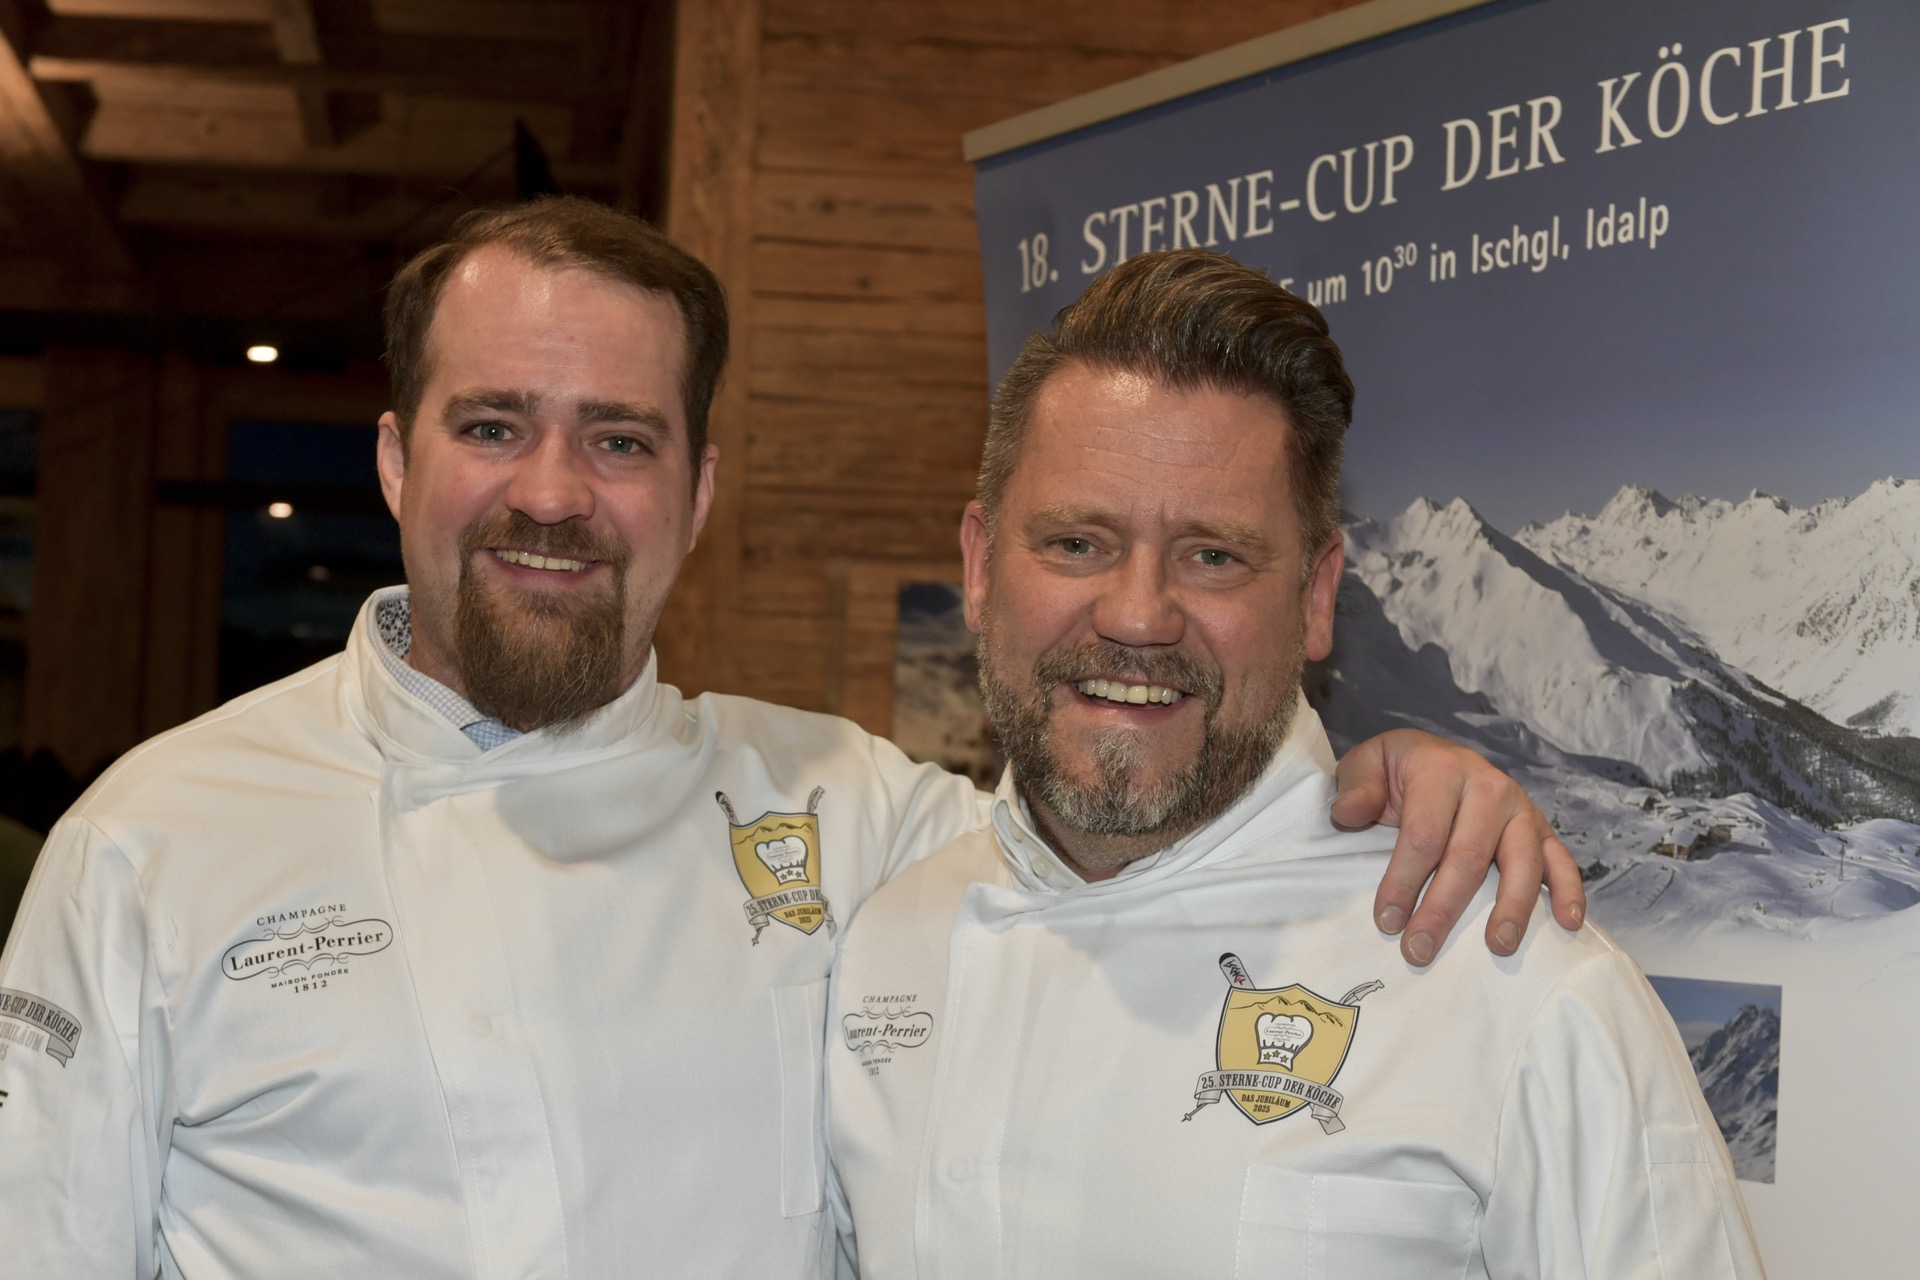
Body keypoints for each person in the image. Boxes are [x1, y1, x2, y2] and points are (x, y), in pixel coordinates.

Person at [0, 200, 1577, 1277]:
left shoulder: (844, 811)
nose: (552, 492)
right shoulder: (154, 845)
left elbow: (1131, 816)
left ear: (694, 496)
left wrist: (1382, 778)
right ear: (399, 462)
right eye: (492, 425)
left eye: (621, 439)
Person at [824, 248, 1763, 1277]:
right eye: (1077, 543)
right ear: (979, 567)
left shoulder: (1516, 985)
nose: (1138, 614)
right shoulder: (881, 940)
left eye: (1213, 555)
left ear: (1317, 598)